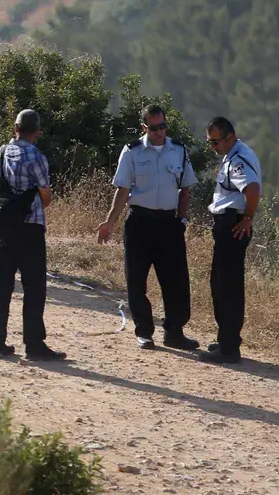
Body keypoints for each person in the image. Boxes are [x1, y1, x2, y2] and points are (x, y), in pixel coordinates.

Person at [95, 105, 200, 351]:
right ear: (144, 127)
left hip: (169, 223)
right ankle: (144, 331)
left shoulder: (179, 150)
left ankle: (174, 332)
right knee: (136, 280)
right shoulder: (132, 151)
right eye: (153, 128)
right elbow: (122, 190)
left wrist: (182, 220)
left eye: (162, 126)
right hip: (140, 222)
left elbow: (185, 189)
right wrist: (109, 222)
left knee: (176, 281)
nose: (159, 132)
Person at [0, 109, 67, 362]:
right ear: (37, 132)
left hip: (4, 226)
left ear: (15, 128)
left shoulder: (0, 153)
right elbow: (45, 195)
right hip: (31, 227)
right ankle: (34, 345)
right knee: (34, 286)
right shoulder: (37, 157)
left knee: (1, 284)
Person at [198, 117, 262, 364]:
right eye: (210, 142)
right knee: (220, 283)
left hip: (232, 226)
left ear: (230, 137)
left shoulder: (238, 160)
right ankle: (227, 338)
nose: (212, 147)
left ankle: (228, 349)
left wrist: (247, 218)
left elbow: (252, 189)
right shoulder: (233, 155)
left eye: (215, 142)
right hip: (228, 224)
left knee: (228, 288)